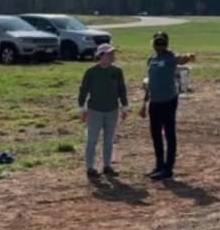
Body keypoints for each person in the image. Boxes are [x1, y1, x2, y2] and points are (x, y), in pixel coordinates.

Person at [139, 31, 194, 180]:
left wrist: (189, 56)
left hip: (168, 100)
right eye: (157, 42)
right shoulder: (151, 59)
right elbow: (149, 82)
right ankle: (159, 165)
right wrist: (144, 103)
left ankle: (168, 168)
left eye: (163, 42)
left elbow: (181, 59)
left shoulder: (170, 56)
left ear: (167, 44)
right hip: (154, 101)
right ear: (153, 43)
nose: (160, 45)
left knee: (169, 133)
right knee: (155, 134)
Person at [78, 43, 129, 180]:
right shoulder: (91, 72)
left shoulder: (117, 71)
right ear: (101, 56)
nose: (112, 56)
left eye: (113, 53)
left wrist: (124, 106)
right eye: (109, 54)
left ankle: (107, 166)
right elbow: (83, 90)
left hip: (112, 110)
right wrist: (82, 107)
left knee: (109, 140)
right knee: (92, 140)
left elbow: (121, 90)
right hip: (95, 111)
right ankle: (90, 167)